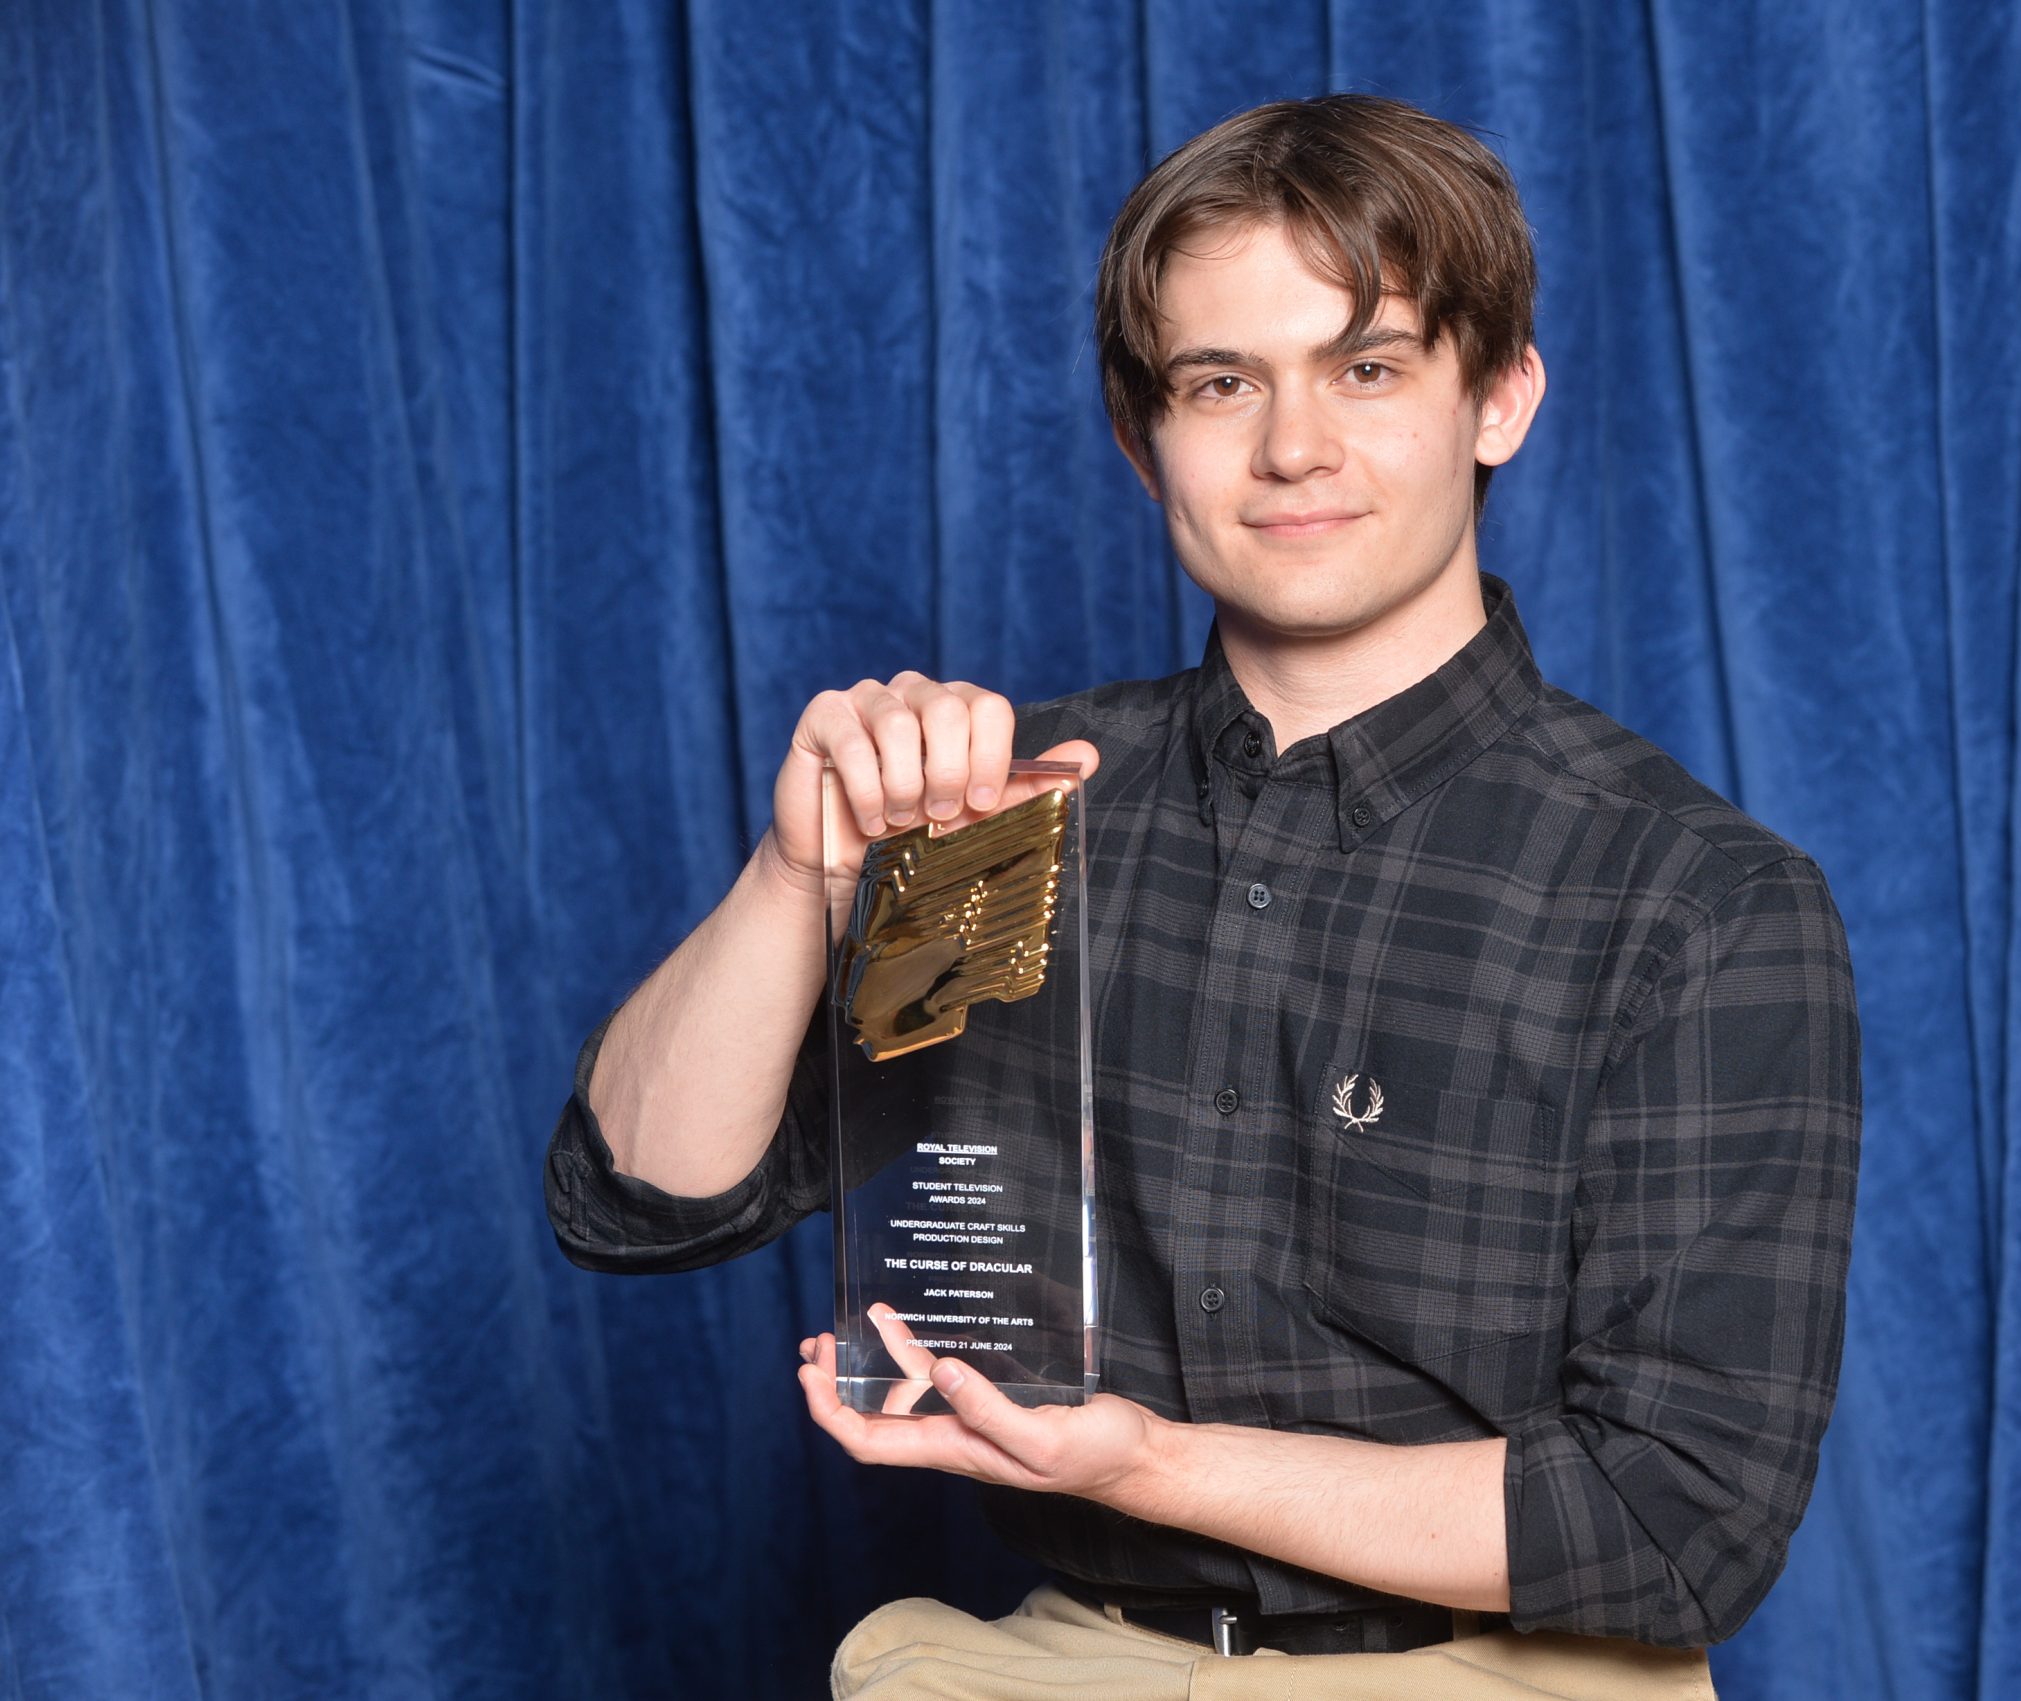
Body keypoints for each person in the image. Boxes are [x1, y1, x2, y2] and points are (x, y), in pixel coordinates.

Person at [546, 93, 1860, 1701]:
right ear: (1140, 436)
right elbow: (637, 1203)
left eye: (1367, 367)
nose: (1291, 446)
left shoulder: (1695, 898)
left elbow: (1679, 1523)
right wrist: (796, 872)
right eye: (1221, 382)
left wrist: (1152, 1464)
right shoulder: (1011, 816)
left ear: (1499, 398)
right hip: (1061, 1660)